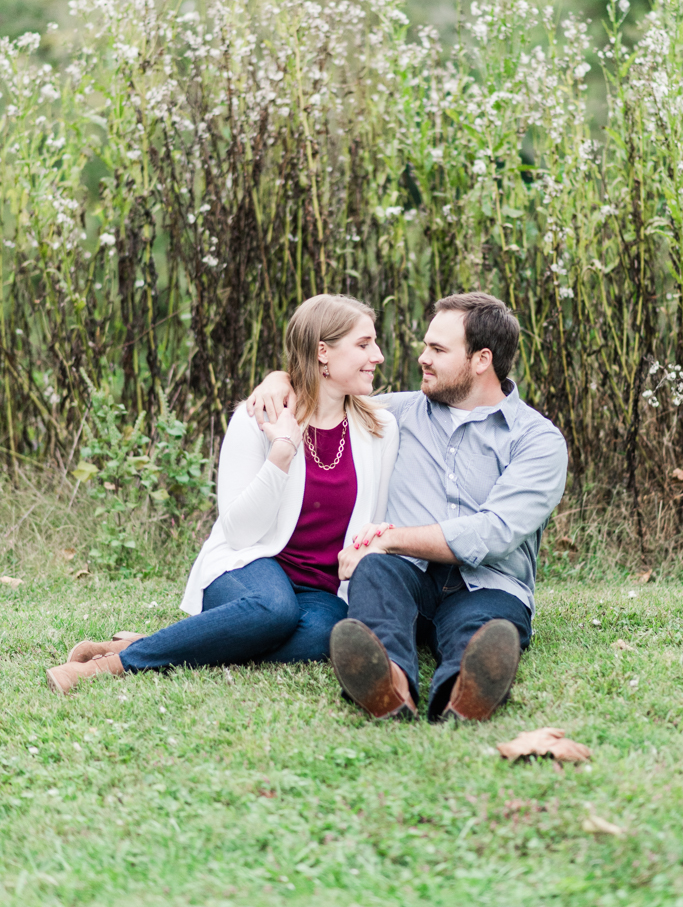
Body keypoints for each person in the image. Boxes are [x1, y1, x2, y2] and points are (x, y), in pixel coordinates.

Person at [46, 295, 398, 695]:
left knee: (324, 638)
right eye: (364, 344)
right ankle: (111, 665)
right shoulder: (257, 419)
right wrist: (280, 456)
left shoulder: (379, 427)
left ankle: (154, 642)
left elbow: (373, 516)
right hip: (249, 567)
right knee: (274, 610)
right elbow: (238, 531)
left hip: (322, 589)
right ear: (323, 352)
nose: (379, 355)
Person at [248, 292, 568, 723]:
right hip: (405, 575)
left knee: (478, 627)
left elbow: (494, 534)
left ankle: (466, 688)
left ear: (481, 360)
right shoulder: (389, 415)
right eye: (425, 346)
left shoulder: (537, 441)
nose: (423, 358)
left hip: (487, 583)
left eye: (437, 350)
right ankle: (388, 681)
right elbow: (323, 394)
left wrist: (388, 538)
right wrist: (279, 379)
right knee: (375, 574)